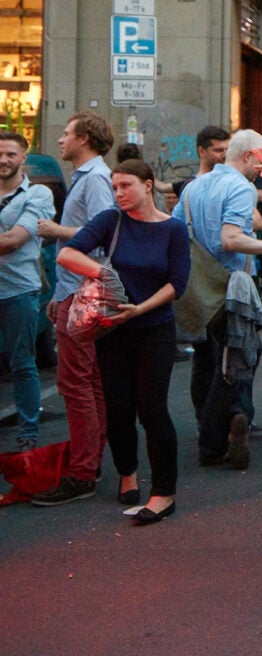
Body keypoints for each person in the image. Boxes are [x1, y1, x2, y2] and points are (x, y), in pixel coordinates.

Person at [57, 159, 189, 525]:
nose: (119, 194)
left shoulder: (173, 229)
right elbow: (68, 252)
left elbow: (177, 283)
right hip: (111, 330)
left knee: (152, 410)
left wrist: (140, 308)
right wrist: (103, 272)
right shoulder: (110, 221)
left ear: (148, 185)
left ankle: (164, 493)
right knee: (118, 410)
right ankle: (127, 472)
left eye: (126, 185)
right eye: (115, 187)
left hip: (155, 329)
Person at [172, 129, 262, 470]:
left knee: (207, 360)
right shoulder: (240, 188)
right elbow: (230, 239)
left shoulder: (194, 187)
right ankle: (215, 438)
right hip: (228, 288)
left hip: (197, 288)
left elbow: (174, 234)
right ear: (248, 156)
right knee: (235, 361)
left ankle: (213, 425)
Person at [33, 112, 116, 506]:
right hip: (76, 292)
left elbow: (103, 237)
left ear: (83, 138)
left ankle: (83, 471)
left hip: (83, 295)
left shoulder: (95, 178)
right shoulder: (90, 177)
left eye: (66, 133)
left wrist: (55, 232)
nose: (61, 139)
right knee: (88, 383)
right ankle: (89, 463)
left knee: (76, 385)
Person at [0, 131, 56, 452]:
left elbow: (15, 240)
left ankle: (27, 435)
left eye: (11, 154)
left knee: (22, 363)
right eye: (0, 154)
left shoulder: (38, 195)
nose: (4, 160)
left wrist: (9, 237)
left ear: (24, 157)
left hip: (19, 289)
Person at [155, 126, 231, 198]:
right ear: (202, 151)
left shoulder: (233, 181)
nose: (225, 155)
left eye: (227, 149)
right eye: (218, 150)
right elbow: (163, 187)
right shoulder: (190, 186)